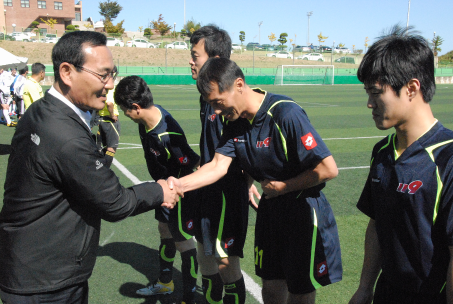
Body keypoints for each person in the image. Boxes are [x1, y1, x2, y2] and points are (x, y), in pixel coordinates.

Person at [0, 31, 181, 304]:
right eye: (103, 75)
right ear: (67, 72)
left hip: (28, 266)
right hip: (46, 282)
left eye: (113, 73)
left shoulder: (41, 111)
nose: (110, 84)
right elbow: (115, 202)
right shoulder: (64, 135)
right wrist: (159, 191)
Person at [168, 57, 343, 304]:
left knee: (300, 290)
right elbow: (218, 166)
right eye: (211, 105)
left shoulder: (285, 112)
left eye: (218, 102)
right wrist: (178, 185)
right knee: (271, 289)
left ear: (239, 84)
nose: (217, 111)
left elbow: (328, 168)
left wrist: (284, 187)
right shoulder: (235, 122)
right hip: (270, 211)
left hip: (301, 210)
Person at [349, 27, 453, 304]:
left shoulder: (447, 157)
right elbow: (376, 223)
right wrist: (364, 287)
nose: (369, 104)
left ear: (411, 88)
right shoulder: (382, 151)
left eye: (376, 93)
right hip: (386, 294)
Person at [187, 25, 259, 304]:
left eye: (196, 56)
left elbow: (248, 148)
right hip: (207, 188)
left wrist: (247, 181)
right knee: (204, 251)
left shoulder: (232, 104)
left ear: (216, 60)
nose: (191, 62)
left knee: (226, 263)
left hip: (226, 193)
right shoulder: (208, 98)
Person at [115, 75, 200, 304]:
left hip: (179, 193)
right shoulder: (147, 119)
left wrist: (178, 192)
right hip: (162, 188)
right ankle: (165, 283)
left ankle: (190, 297)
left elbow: (191, 162)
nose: (124, 114)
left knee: (184, 242)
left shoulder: (166, 135)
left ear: (135, 107)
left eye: (124, 110)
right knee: (164, 230)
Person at [95, 85, 120, 168]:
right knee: (111, 148)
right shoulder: (109, 89)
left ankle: (98, 167)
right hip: (110, 121)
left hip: (102, 120)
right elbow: (109, 103)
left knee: (105, 146)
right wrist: (112, 115)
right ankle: (105, 171)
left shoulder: (99, 88)